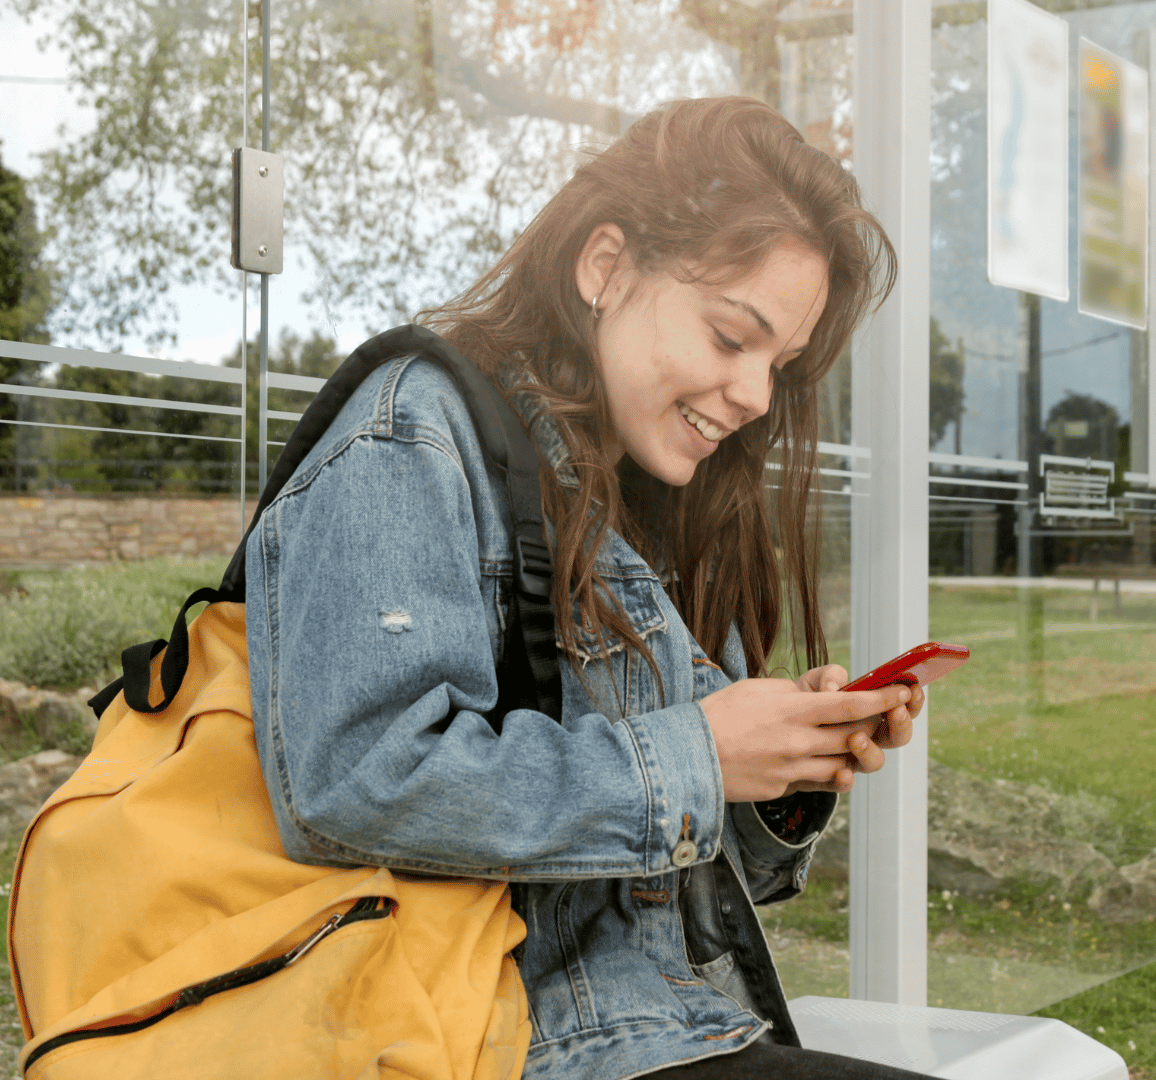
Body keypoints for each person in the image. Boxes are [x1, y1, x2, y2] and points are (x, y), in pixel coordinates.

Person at [246, 96, 931, 1079]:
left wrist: (783, 767)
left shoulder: (662, 488)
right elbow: (356, 782)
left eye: (778, 365)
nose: (755, 397)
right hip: (490, 1049)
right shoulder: (411, 435)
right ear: (605, 266)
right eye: (730, 337)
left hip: (666, 1033)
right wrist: (701, 754)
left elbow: (693, 858)